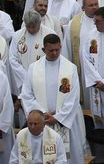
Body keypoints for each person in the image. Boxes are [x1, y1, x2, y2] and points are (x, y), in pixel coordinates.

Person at [17, 33, 85, 164]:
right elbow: (26, 95)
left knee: (70, 157)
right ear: (43, 50)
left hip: (65, 121)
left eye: (57, 49)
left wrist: (58, 117)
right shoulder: (33, 68)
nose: (54, 53)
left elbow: (73, 97)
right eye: (50, 50)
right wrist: (41, 114)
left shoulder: (70, 68)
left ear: (60, 46)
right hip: (43, 121)